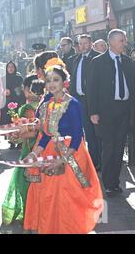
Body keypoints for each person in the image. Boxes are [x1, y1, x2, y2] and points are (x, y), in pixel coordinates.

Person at [23, 63, 103, 234]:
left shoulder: (72, 104)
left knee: (69, 195)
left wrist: (63, 159)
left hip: (71, 154)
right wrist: (33, 153)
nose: (52, 84)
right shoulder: (47, 104)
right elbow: (46, 134)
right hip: (50, 152)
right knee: (48, 195)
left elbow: (77, 136)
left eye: (56, 80)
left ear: (64, 82)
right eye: (49, 80)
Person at [87, 29, 135, 197]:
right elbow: (92, 89)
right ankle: (109, 183)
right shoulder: (98, 62)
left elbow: (134, 87)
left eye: (124, 40)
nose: (125, 43)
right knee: (109, 147)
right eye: (122, 40)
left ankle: (115, 182)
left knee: (118, 148)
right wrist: (93, 111)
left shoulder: (128, 62)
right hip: (105, 112)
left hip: (124, 110)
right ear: (112, 42)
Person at [2, 74, 45, 226]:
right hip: (45, 149)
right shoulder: (47, 104)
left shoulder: (27, 108)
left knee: (24, 184)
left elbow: (27, 132)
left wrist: (15, 136)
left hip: (30, 149)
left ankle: (30, 214)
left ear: (28, 90)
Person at [69, 35, 101, 169]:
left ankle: (98, 160)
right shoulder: (76, 59)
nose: (82, 46)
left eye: (85, 43)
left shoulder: (98, 58)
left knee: (97, 132)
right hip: (79, 100)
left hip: (94, 100)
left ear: (91, 44)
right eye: (80, 43)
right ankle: (92, 160)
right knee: (86, 132)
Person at [1, 61, 24, 139]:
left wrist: (11, 91)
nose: (10, 68)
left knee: (16, 120)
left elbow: (21, 90)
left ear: (15, 68)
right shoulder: (3, 78)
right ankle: (11, 140)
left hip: (16, 102)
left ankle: (19, 139)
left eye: (12, 67)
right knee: (7, 120)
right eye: (9, 67)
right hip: (6, 102)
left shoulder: (19, 78)